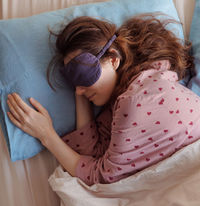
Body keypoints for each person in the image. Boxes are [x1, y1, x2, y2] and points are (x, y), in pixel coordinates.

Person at [7, 14, 200, 186]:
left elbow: (101, 177)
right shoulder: (126, 92)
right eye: (72, 80)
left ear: (114, 59)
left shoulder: (135, 101)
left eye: (83, 74)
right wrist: (81, 94)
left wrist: (46, 135)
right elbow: (92, 153)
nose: (79, 90)